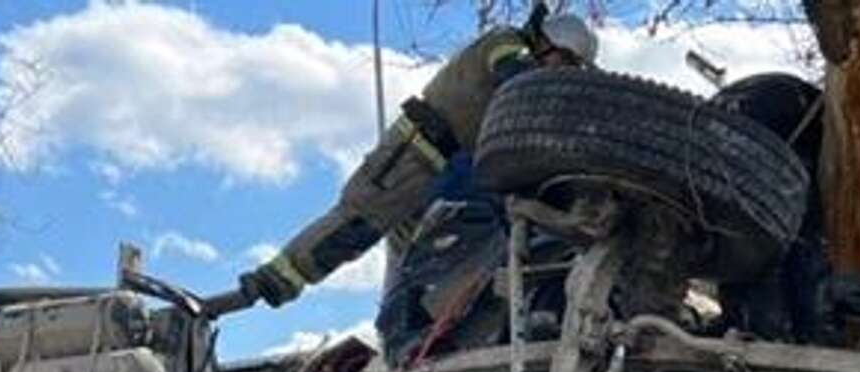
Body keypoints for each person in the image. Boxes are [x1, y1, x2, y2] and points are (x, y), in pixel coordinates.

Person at [233, 12, 597, 310]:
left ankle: (407, 332)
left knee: (421, 266)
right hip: (413, 156)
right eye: (562, 60)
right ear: (546, 41)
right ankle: (271, 282)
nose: (559, 72)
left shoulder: (523, 66)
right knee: (355, 226)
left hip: (448, 174)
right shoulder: (505, 43)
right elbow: (515, 77)